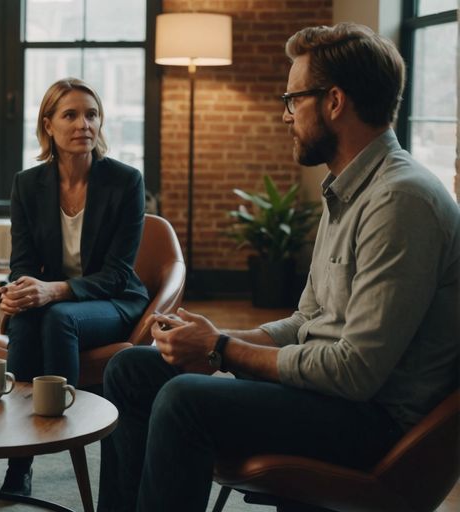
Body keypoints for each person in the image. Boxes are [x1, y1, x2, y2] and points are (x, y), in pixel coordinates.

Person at [97, 22, 460, 512]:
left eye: (293, 99)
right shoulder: (349, 188)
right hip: (333, 396)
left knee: (185, 400)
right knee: (131, 368)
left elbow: (355, 373)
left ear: (334, 102)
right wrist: (214, 336)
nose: (284, 115)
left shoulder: (401, 201)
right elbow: (307, 321)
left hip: (376, 422)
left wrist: (222, 350)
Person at [0, 77, 150, 497]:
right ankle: (18, 464)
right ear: (48, 126)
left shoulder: (126, 181)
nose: (83, 124)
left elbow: (116, 273)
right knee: (23, 322)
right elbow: (22, 262)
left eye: (91, 115)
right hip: (58, 303)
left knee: (57, 317)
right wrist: (18, 291)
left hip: (113, 300)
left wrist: (52, 290)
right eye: (70, 115)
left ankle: (66, 431)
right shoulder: (27, 184)